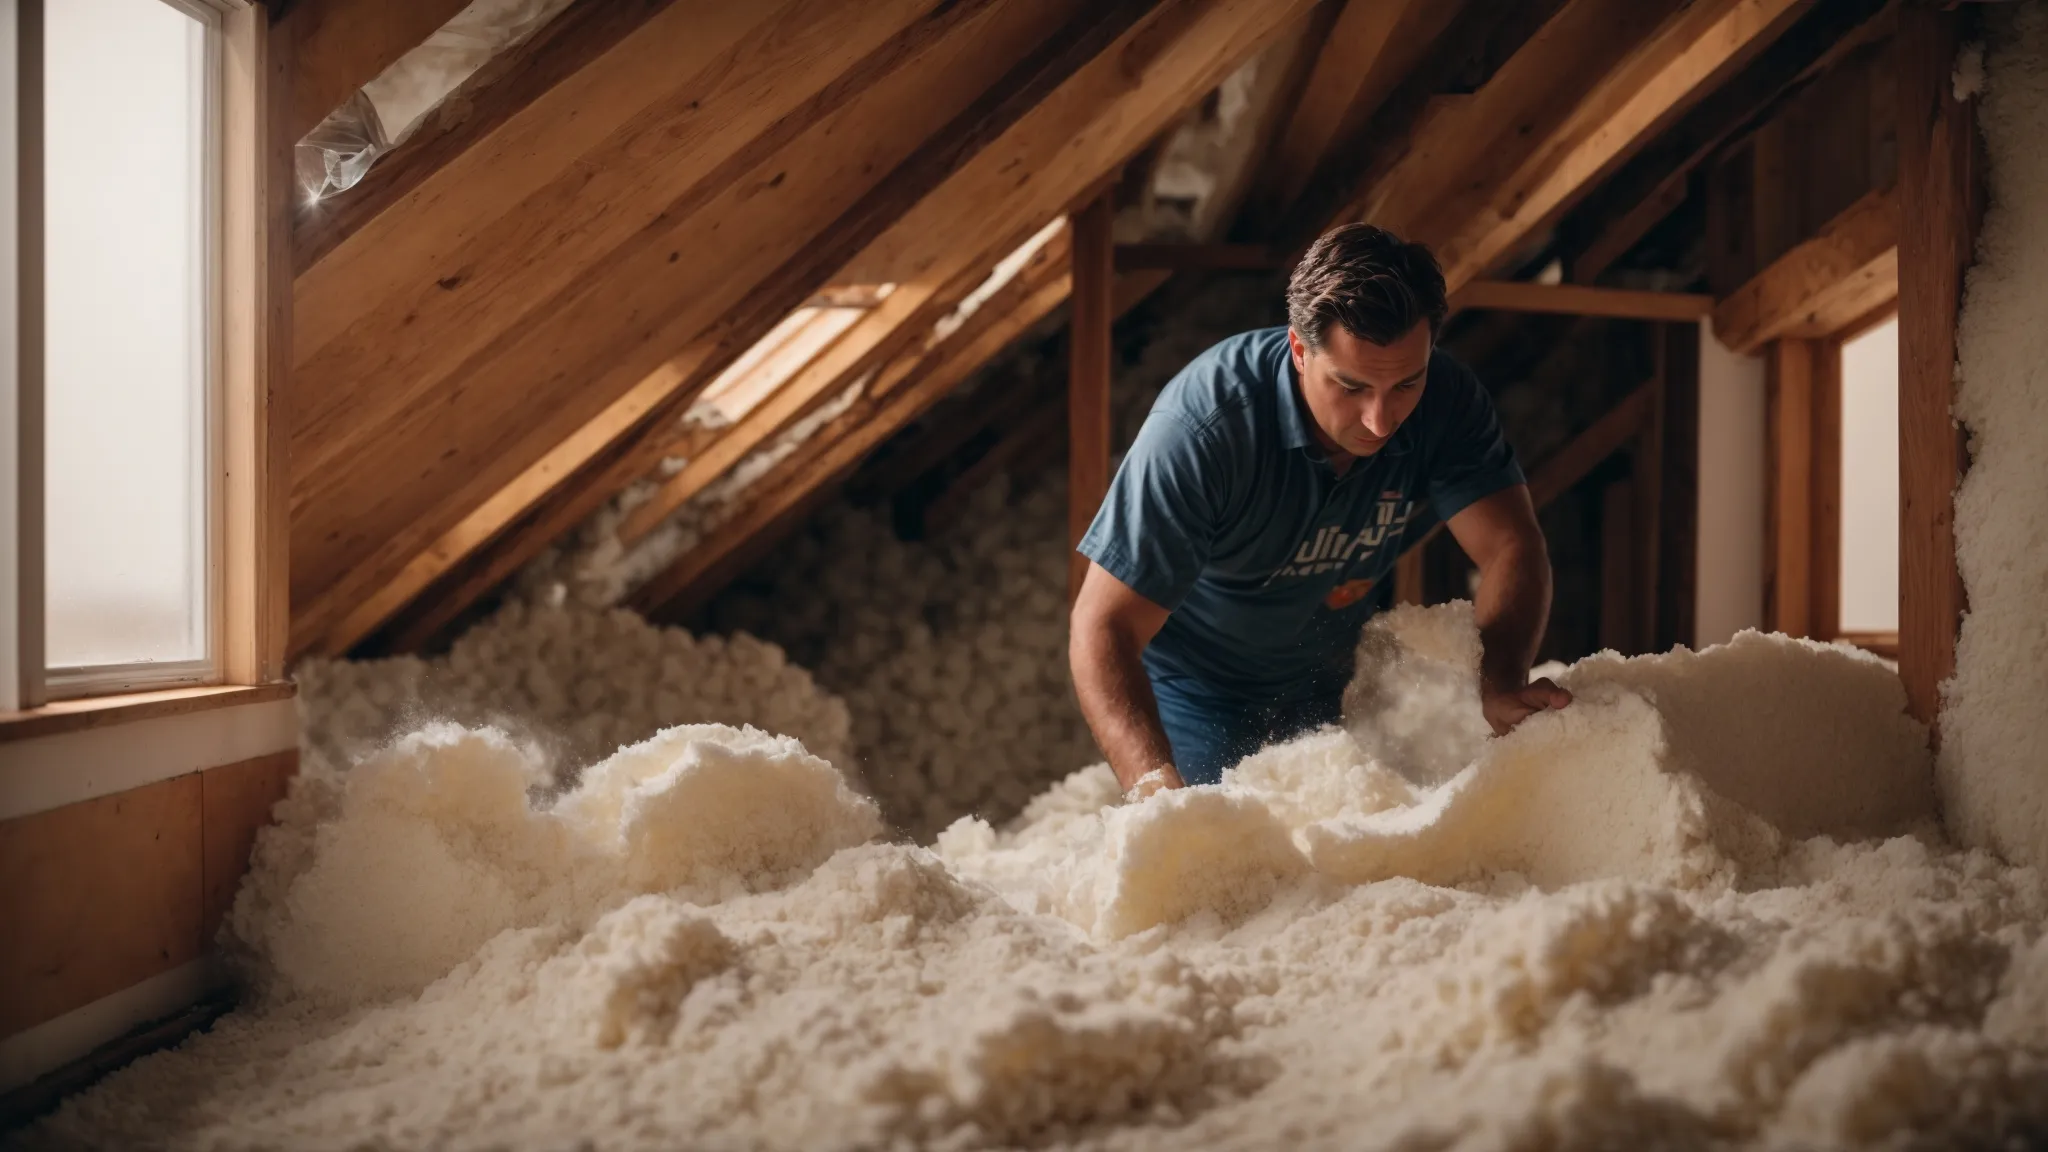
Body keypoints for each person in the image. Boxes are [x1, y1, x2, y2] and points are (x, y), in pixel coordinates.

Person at [1069, 223, 1571, 795]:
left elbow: (1510, 544)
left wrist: (1501, 678)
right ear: (1300, 350)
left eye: (1406, 383)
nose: (1380, 422)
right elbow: (1101, 624)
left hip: (1336, 673)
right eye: (1352, 386)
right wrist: (1152, 786)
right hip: (1203, 689)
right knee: (1229, 864)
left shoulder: (1447, 402)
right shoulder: (1205, 432)